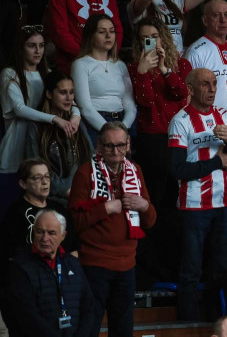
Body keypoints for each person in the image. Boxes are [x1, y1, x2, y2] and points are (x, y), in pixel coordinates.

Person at [68, 121, 155, 337]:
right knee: (88, 332)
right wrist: (104, 208)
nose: (116, 151)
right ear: (99, 147)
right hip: (94, 265)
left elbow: (151, 220)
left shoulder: (135, 170)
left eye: (120, 145)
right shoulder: (86, 173)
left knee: (123, 336)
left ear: (128, 145)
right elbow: (73, 223)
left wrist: (144, 206)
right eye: (109, 146)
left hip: (127, 265)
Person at [168, 68, 227, 321]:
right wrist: (216, 162)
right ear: (190, 89)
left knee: (221, 270)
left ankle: (217, 321)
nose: (212, 89)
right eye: (205, 84)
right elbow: (177, 169)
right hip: (192, 207)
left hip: (222, 204)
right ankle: (188, 325)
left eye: (214, 84)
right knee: (191, 271)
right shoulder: (180, 120)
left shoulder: (223, 115)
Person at [8, 209, 98, 337]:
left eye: (51, 233)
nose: (45, 238)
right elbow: (28, 319)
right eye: (40, 232)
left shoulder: (73, 264)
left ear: (63, 236)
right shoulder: (20, 267)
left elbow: (88, 308)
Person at [127, 17, 191, 272]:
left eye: (154, 35)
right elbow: (146, 100)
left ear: (163, 38)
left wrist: (165, 68)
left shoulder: (181, 64)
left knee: (173, 201)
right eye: (145, 37)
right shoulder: (133, 67)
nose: (150, 41)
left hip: (176, 137)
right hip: (150, 139)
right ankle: (150, 265)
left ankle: (172, 263)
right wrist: (143, 72)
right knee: (151, 199)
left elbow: (181, 92)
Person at [0, 26, 79, 176]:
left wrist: (75, 118)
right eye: (31, 46)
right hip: (17, 143)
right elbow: (19, 108)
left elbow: (72, 103)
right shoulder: (9, 74)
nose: (38, 51)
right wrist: (55, 119)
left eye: (41, 45)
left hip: (42, 142)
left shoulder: (48, 74)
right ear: (21, 48)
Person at [25, 72, 93, 200]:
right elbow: (35, 165)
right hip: (51, 197)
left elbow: (91, 156)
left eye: (71, 92)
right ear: (49, 94)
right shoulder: (36, 126)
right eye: (63, 93)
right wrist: (65, 190)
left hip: (82, 192)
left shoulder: (77, 122)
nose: (69, 98)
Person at [0, 158, 78, 267]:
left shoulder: (59, 209)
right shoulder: (15, 213)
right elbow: (12, 255)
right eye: (37, 178)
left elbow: (73, 249)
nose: (45, 182)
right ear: (23, 184)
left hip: (61, 270)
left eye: (47, 176)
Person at [70, 14, 136, 144]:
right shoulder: (80, 64)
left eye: (112, 31)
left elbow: (130, 104)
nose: (108, 36)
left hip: (121, 122)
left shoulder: (121, 65)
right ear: (91, 36)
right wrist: (109, 131)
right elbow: (85, 107)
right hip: (95, 123)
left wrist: (124, 127)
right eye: (102, 32)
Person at [184, 0, 227, 126]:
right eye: (216, 15)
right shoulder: (196, 52)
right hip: (209, 127)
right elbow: (187, 95)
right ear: (205, 20)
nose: (223, 20)